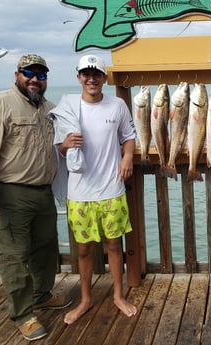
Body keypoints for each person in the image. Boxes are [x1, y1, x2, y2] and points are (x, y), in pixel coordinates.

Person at [0, 54, 72, 341]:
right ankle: (23, 314)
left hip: (43, 193)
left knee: (45, 250)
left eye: (41, 75)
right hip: (8, 194)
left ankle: (41, 295)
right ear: (17, 75)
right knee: (15, 257)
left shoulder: (49, 109)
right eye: (29, 73)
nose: (35, 80)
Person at [50, 55, 138, 325]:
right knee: (85, 250)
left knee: (114, 245)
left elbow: (129, 135)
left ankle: (118, 295)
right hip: (80, 193)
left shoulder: (117, 105)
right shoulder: (67, 108)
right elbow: (59, 149)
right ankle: (86, 299)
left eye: (96, 74)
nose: (91, 78)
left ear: (104, 78)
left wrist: (127, 157)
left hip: (111, 189)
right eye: (86, 74)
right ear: (78, 77)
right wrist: (65, 145)